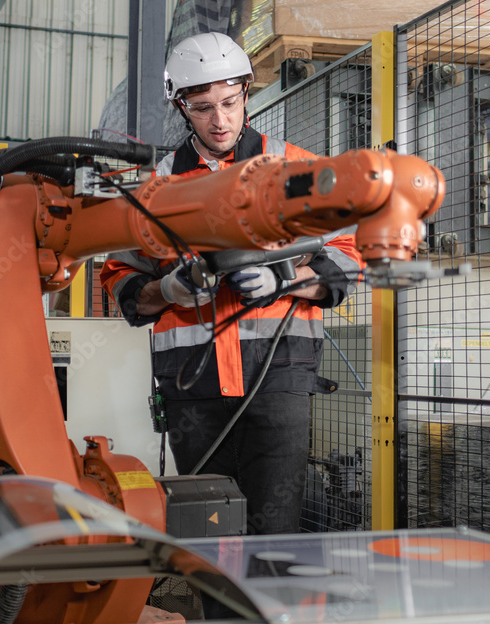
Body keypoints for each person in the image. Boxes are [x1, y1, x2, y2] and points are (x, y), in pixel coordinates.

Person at [101, 32, 363, 536]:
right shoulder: (154, 188)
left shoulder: (296, 169)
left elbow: (349, 256)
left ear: (246, 92)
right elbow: (121, 277)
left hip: (277, 381)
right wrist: (168, 291)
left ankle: (268, 614)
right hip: (191, 389)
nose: (219, 121)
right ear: (181, 106)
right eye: (202, 108)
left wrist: (285, 281)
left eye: (229, 102)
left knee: (275, 530)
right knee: (206, 530)